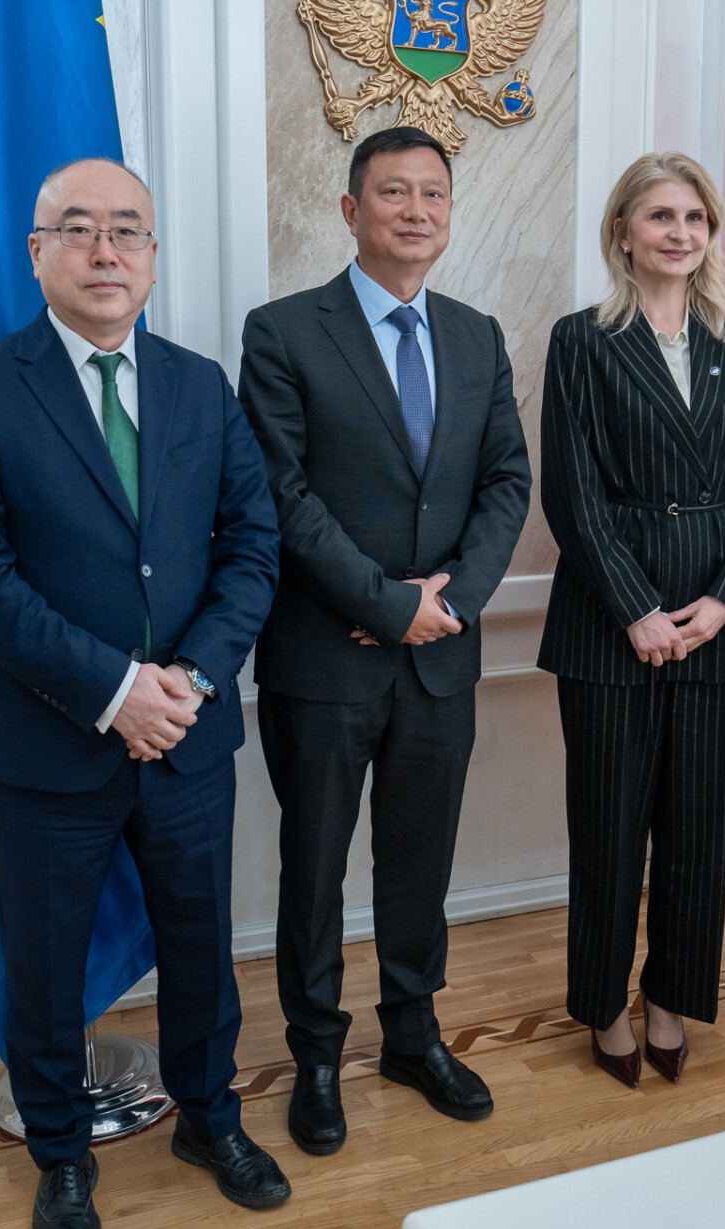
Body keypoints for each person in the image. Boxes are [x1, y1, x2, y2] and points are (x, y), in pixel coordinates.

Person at [0, 158, 285, 1229]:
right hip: (50, 744)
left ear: (153, 256)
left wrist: (192, 680)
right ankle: (61, 1154)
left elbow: (252, 545)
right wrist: (115, 691)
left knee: (202, 945)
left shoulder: (199, 384)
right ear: (38, 254)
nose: (105, 250)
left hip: (188, 735)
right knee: (45, 963)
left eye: (127, 229)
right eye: (77, 230)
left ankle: (209, 1117)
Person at [238, 126, 532, 1155]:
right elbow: (282, 494)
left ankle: (412, 1034)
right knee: (314, 868)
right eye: (394, 192)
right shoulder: (283, 332)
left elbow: (507, 483)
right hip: (325, 659)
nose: (416, 210)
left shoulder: (477, 335)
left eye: (433, 194)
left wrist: (451, 598)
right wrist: (380, 600)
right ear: (351, 210)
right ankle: (316, 1055)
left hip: (441, 655)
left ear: (449, 213)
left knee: (419, 861)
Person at [536, 152, 725, 1089]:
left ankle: (673, 996)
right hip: (611, 625)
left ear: (711, 234)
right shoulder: (581, 340)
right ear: (623, 233)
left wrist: (722, 604)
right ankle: (604, 1004)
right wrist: (638, 609)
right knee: (608, 832)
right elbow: (572, 495)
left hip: (717, 624)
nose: (680, 233)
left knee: (694, 836)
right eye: (660, 216)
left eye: (695, 218)